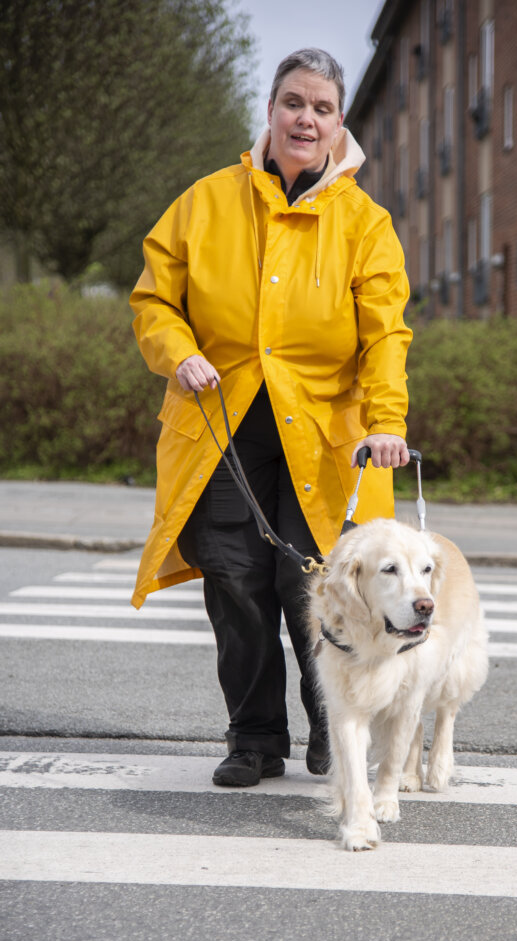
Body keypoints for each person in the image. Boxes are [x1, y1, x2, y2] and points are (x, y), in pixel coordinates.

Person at [129, 48, 412, 787]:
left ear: (339, 122)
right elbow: (154, 300)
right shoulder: (207, 200)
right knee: (233, 579)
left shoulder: (365, 222)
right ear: (270, 111)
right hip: (222, 419)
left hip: (328, 436)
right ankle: (254, 738)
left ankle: (329, 721)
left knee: (311, 584)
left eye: (321, 108)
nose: (305, 119)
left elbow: (385, 333)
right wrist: (179, 350)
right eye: (294, 103)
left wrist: (386, 421)